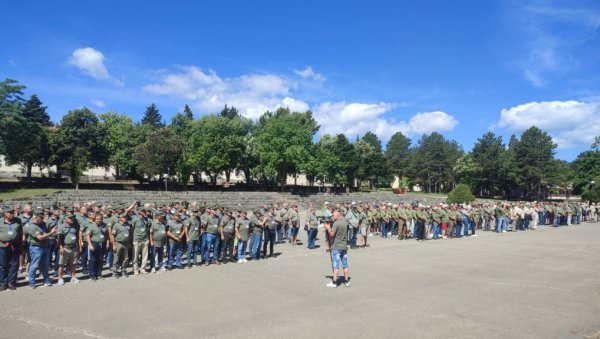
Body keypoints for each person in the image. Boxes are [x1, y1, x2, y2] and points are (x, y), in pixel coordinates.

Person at [24, 209, 57, 289]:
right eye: (41, 218)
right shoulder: (31, 226)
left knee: (45, 266)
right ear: (36, 217)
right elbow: (40, 238)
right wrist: (51, 233)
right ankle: (32, 283)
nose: (42, 219)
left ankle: (46, 280)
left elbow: (45, 233)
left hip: (45, 247)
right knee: (34, 266)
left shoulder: (42, 224)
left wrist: (48, 233)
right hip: (36, 248)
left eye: (42, 218)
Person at [324, 211, 350, 288]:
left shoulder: (336, 223)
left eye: (333, 215)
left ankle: (334, 282)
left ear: (338, 216)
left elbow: (332, 234)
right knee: (345, 264)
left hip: (337, 246)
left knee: (336, 265)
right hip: (344, 246)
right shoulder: (345, 223)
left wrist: (328, 228)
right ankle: (346, 281)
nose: (332, 217)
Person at [0, 207, 22, 291]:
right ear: (5, 213)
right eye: (10, 213)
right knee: (3, 265)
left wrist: (20, 244)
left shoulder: (18, 220)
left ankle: (11, 282)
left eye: (13, 212)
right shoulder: (0, 221)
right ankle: (3, 283)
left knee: (14, 265)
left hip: (15, 245)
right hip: (2, 246)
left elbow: (20, 232)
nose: (12, 214)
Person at [56, 213, 80, 285]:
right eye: (70, 218)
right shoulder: (61, 227)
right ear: (66, 219)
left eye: (72, 218)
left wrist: (78, 246)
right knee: (61, 264)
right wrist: (61, 247)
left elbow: (77, 236)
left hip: (74, 247)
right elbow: (58, 238)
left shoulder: (74, 227)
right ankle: (60, 278)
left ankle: (73, 277)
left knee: (73, 264)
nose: (72, 219)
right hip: (65, 248)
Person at [86, 214, 108, 281]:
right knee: (93, 260)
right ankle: (92, 275)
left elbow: (107, 235)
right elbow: (88, 236)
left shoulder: (104, 225)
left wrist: (107, 243)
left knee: (100, 260)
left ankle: (99, 274)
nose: (99, 220)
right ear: (95, 219)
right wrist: (90, 245)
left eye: (100, 219)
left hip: (102, 245)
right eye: (97, 219)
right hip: (94, 244)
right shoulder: (91, 226)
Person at [131, 208, 150, 275]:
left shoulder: (146, 219)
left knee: (145, 256)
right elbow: (131, 229)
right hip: (137, 239)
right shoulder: (135, 219)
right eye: (143, 211)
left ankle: (143, 269)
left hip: (144, 240)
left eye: (144, 211)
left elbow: (147, 228)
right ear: (139, 212)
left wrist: (148, 239)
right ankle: (135, 270)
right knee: (135, 256)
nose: (144, 212)